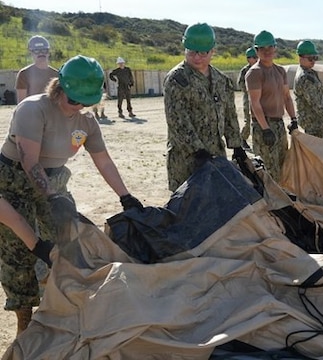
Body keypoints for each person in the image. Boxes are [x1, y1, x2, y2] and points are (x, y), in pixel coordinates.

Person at [0, 55, 143, 335]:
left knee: (66, 247)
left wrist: (125, 196)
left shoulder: (86, 122)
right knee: (18, 253)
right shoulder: (33, 109)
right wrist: (52, 200)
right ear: (59, 88)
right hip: (13, 182)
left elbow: (103, 160)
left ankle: (59, 308)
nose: (77, 106)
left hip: (54, 182)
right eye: (73, 99)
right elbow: (30, 161)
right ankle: (24, 318)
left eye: (84, 101)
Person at [163, 23, 244, 191]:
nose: (197, 57)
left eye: (203, 53)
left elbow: (230, 115)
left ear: (212, 51)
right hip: (186, 160)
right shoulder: (177, 80)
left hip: (216, 155)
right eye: (192, 52)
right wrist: (197, 151)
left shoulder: (221, 80)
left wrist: (236, 145)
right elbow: (177, 121)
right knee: (189, 209)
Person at [245, 30, 297, 182]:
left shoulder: (280, 71)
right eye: (262, 49)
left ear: (275, 48)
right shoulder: (254, 73)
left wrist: (293, 118)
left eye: (269, 47)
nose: (267, 52)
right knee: (267, 168)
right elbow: (255, 103)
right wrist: (265, 128)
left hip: (279, 124)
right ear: (257, 51)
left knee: (282, 164)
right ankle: (270, 203)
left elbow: (287, 97)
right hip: (264, 126)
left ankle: (281, 201)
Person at [293, 40, 323, 138]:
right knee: (317, 148)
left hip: (317, 118)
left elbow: (319, 93)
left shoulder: (311, 73)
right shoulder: (305, 77)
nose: (313, 61)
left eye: (315, 58)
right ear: (300, 57)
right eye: (310, 58)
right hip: (311, 121)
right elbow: (314, 102)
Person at [15, 35, 59, 104]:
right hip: (32, 112)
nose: (41, 53)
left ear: (48, 52)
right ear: (31, 53)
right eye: (36, 51)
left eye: (44, 50)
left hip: (51, 112)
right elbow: (21, 103)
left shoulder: (56, 75)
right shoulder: (24, 74)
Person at [237, 47, 258, 149]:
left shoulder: (260, 69)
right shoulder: (245, 70)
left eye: (256, 57)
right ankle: (242, 139)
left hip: (259, 98)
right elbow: (240, 84)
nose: (255, 59)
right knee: (248, 120)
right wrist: (249, 90)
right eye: (253, 57)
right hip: (248, 99)